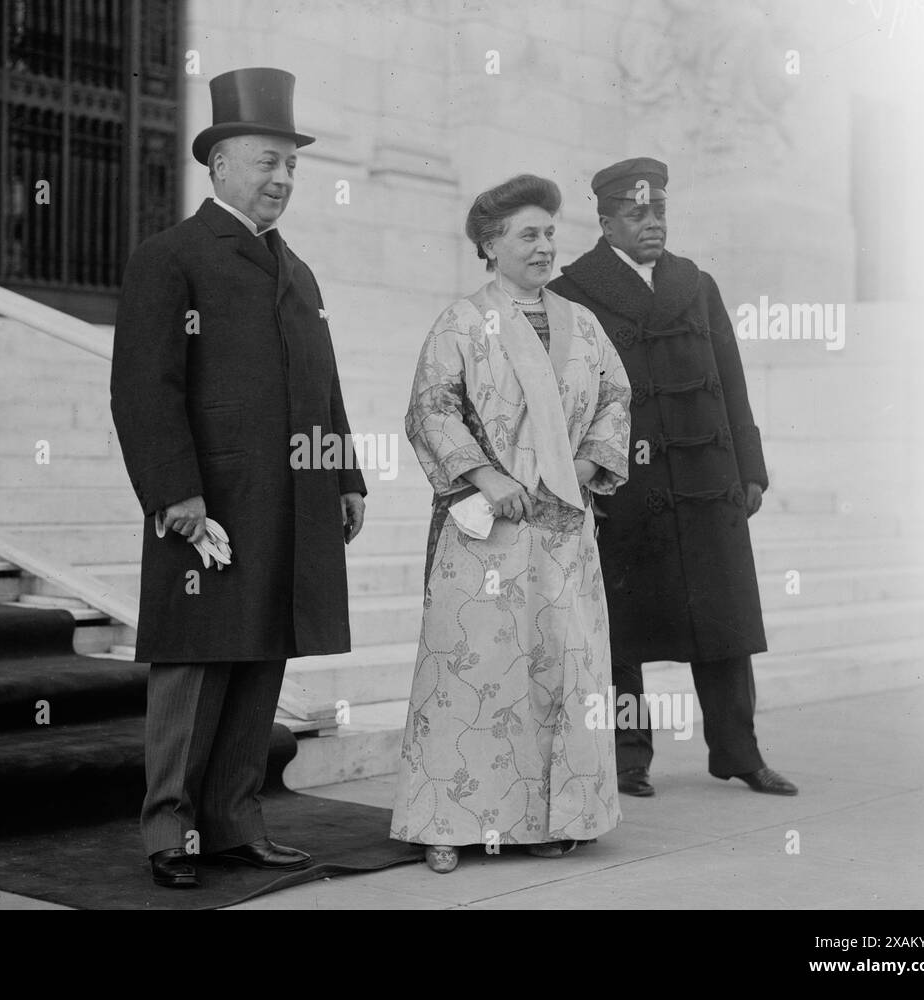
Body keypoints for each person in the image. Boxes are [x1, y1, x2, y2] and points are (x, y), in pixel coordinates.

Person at [110, 67, 367, 889]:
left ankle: (232, 823)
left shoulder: (300, 272)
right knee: (194, 663)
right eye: (267, 161)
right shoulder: (172, 257)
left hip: (291, 498)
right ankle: (170, 832)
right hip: (211, 503)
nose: (283, 179)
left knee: (262, 657)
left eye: (291, 165)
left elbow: (324, 387)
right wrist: (174, 492)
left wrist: (347, 476)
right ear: (219, 163)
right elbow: (145, 389)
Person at [390, 175, 631, 874]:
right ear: (490, 246)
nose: (545, 246)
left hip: (562, 525)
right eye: (528, 234)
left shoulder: (582, 324)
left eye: (551, 233)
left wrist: (584, 471)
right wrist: (489, 477)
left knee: (562, 668)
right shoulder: (462, 321)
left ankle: (552, 819)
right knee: (475, 674)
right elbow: (431, 408)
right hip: (488, 527)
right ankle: (447, 821)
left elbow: (616, 396)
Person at [549, 157, 798, 798]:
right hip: (627, 487)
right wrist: (582, 484)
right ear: (605, 222)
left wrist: (751, 468)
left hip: (708, 480)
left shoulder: (696, 282)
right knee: (623, 628)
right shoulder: (574, 293)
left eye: (658, 210)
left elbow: (732, 378)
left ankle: (738, 753)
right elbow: (570, 398)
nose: (652, 223)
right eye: (636, 214)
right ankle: (629, 760)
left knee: (724, 619)